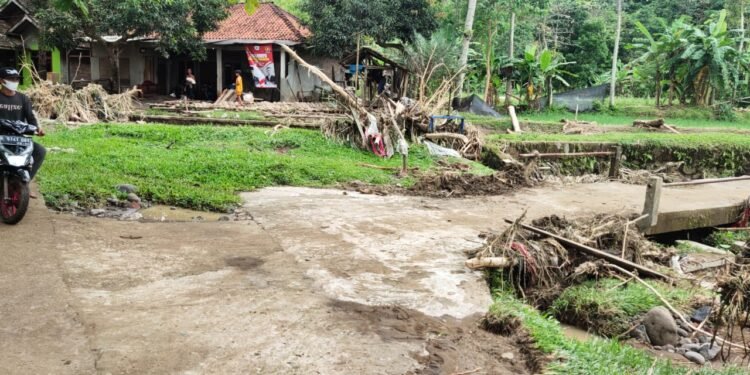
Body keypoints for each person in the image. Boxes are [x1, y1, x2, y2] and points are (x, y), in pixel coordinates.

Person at [0, 67, 45, 187]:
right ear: (1, 81)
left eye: (16, 79)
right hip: (1, 137)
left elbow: (30, 118)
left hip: (18, 138)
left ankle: (24, 183)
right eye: (11, 79)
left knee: (40, 151)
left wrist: (37, 129)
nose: (14, 82)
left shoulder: (23, 99)